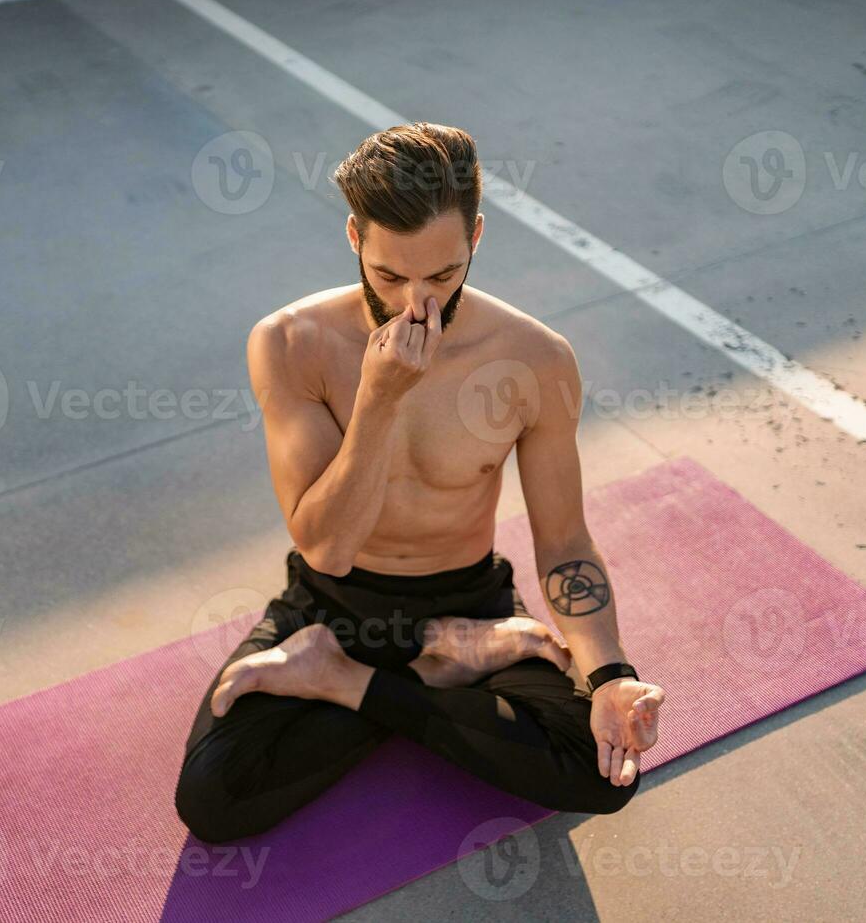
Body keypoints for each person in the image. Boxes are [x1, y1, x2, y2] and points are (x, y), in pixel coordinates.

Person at [174, 122, 665, 845]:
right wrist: (378, 398)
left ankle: (351, 682)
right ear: (353, 238)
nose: (416, 305)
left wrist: (611, 675)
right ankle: (431, 674)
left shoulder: (535, 359)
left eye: (441, 276)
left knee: (601, 771)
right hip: (332, 604)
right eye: (389, 276)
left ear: (476, 239)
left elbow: (563, 541)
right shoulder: (290, 343)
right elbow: (327, 548)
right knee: (215, 799)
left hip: (470, 598)